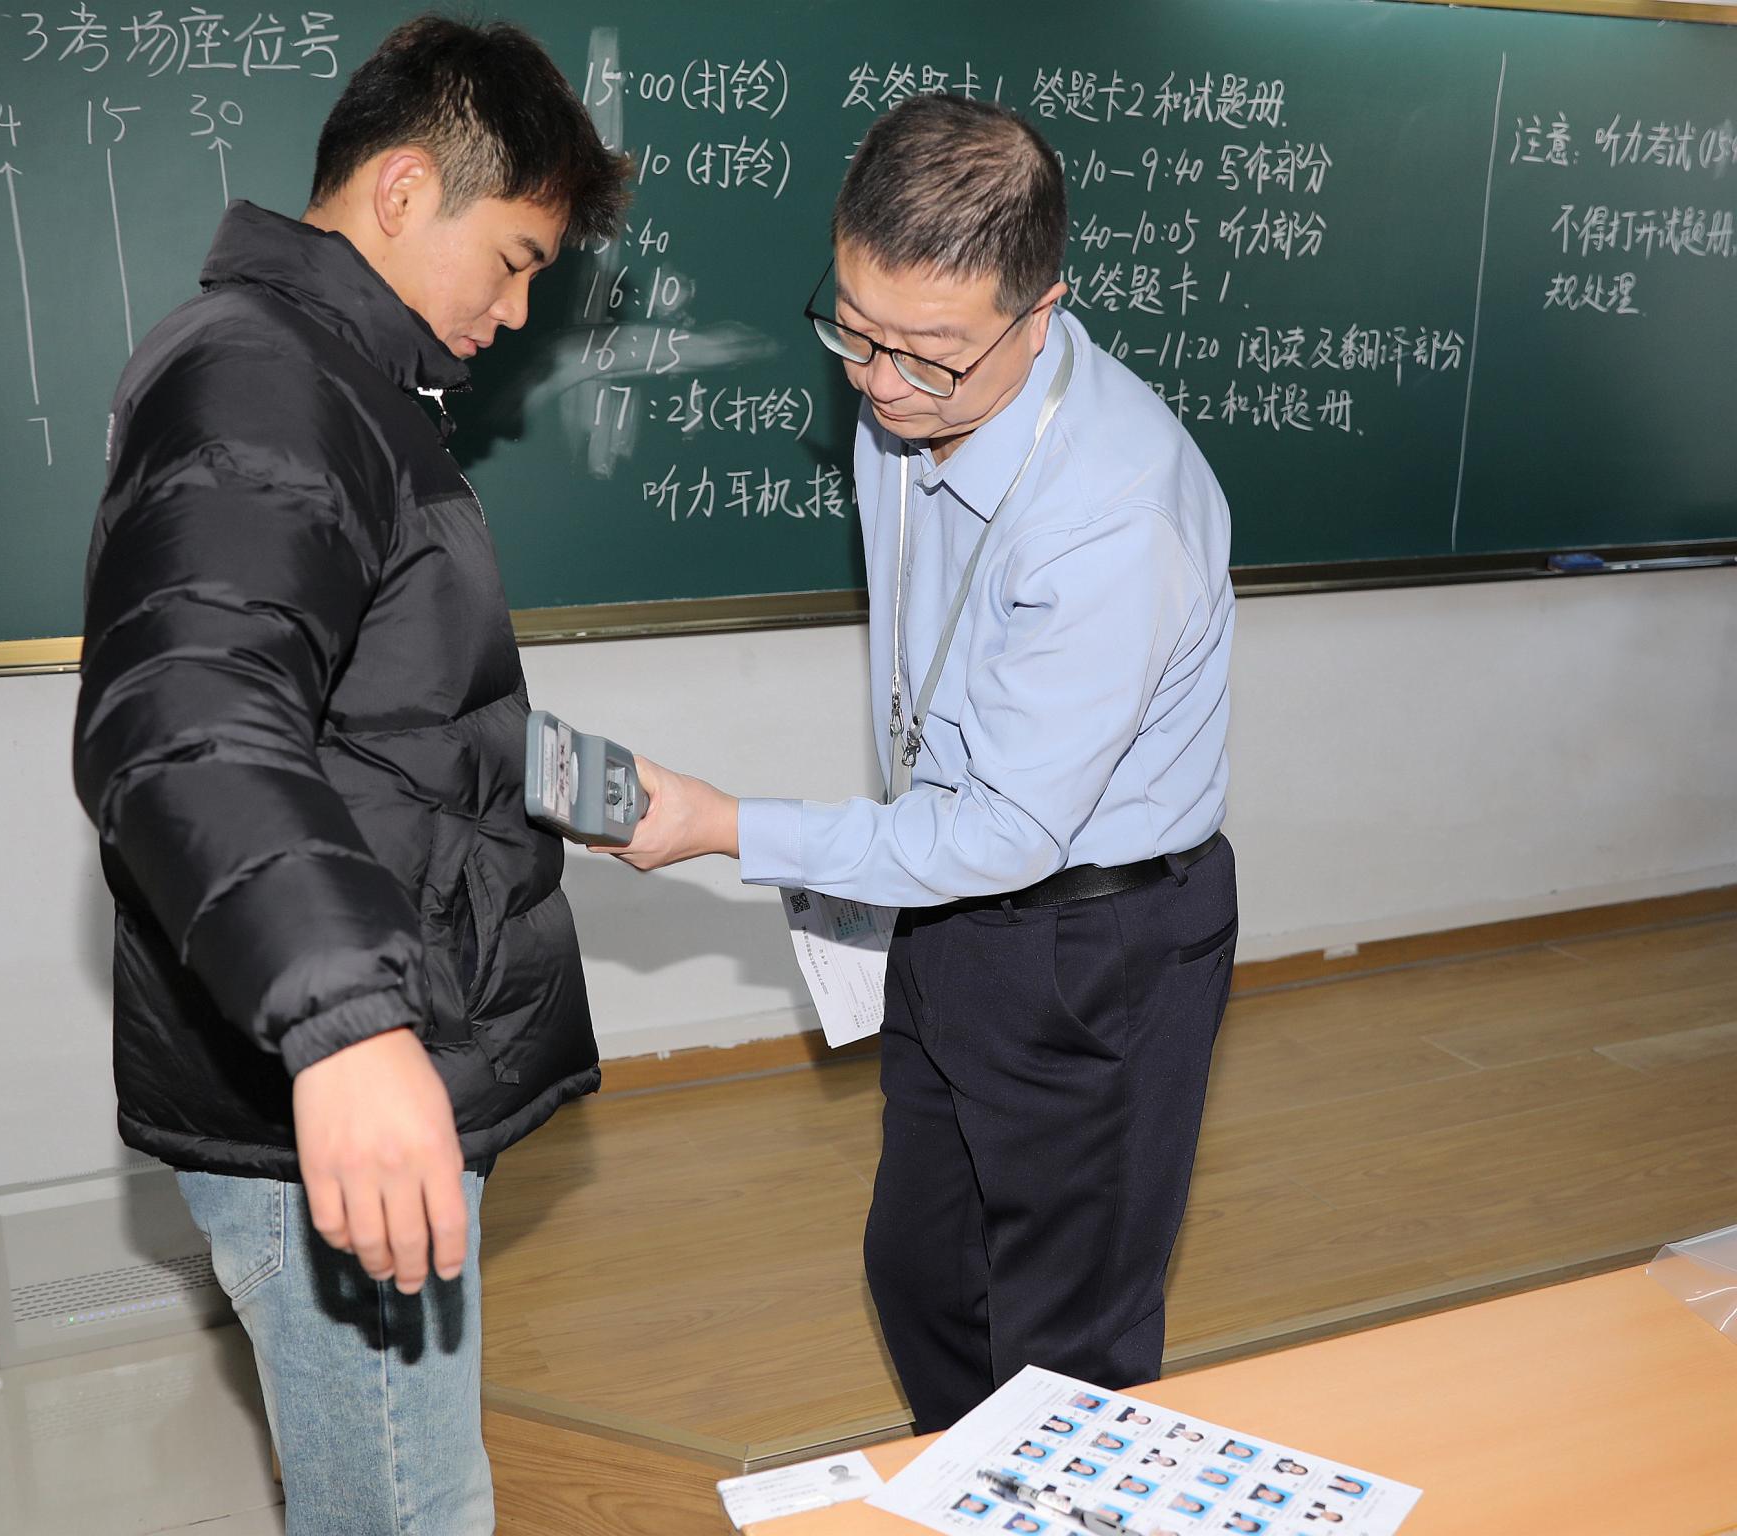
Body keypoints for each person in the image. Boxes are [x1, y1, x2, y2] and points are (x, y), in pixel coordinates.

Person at [608, 92, 1237, 1433]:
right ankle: (968, 1488)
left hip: (1091, 945)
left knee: (1066, 1343)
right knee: (921, 1273)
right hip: (944, 897)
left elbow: (1009, 830)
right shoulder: (902, 405)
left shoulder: (1109, 522)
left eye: (932, 354)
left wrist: (728, 825)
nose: (883, 382)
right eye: (855, 329)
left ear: (1042, 308)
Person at [71, 18, 627, 1534]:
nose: (518, 311)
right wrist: (345, 1025)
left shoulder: (335, 379)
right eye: (513, 260)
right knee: (408, 1510)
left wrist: (608, 790)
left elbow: (386, 718)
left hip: (358, 1036)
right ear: (401, 191)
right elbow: (186, 711)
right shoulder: (265, 377)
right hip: (326, 1069)